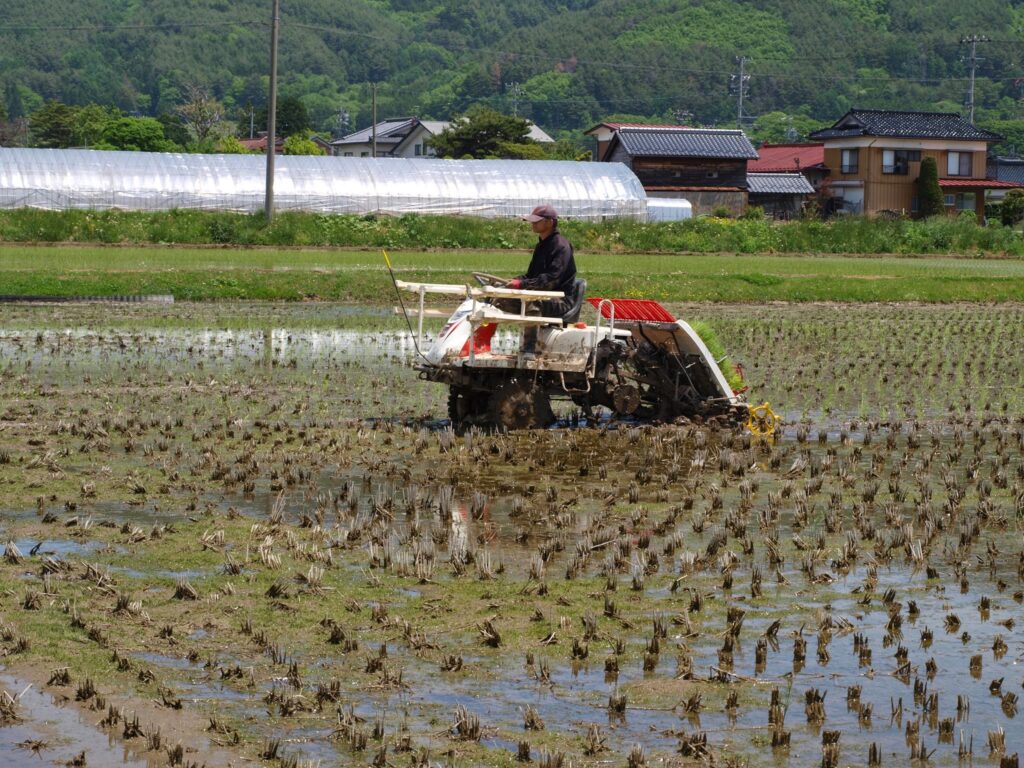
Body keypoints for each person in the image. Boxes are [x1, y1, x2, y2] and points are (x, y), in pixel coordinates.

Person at [506, 205, 577, 356]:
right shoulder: (541, 246)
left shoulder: (561, 246)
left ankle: (529, 350)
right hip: (542, 294)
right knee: (498, 299)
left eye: (537, 221)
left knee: (532, 302)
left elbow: (551, 280)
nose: (533, 224)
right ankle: (482, 344)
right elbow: (531, 276)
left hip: (560, 299)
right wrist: (514, 282)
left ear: (550, 222)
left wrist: (523, 285)